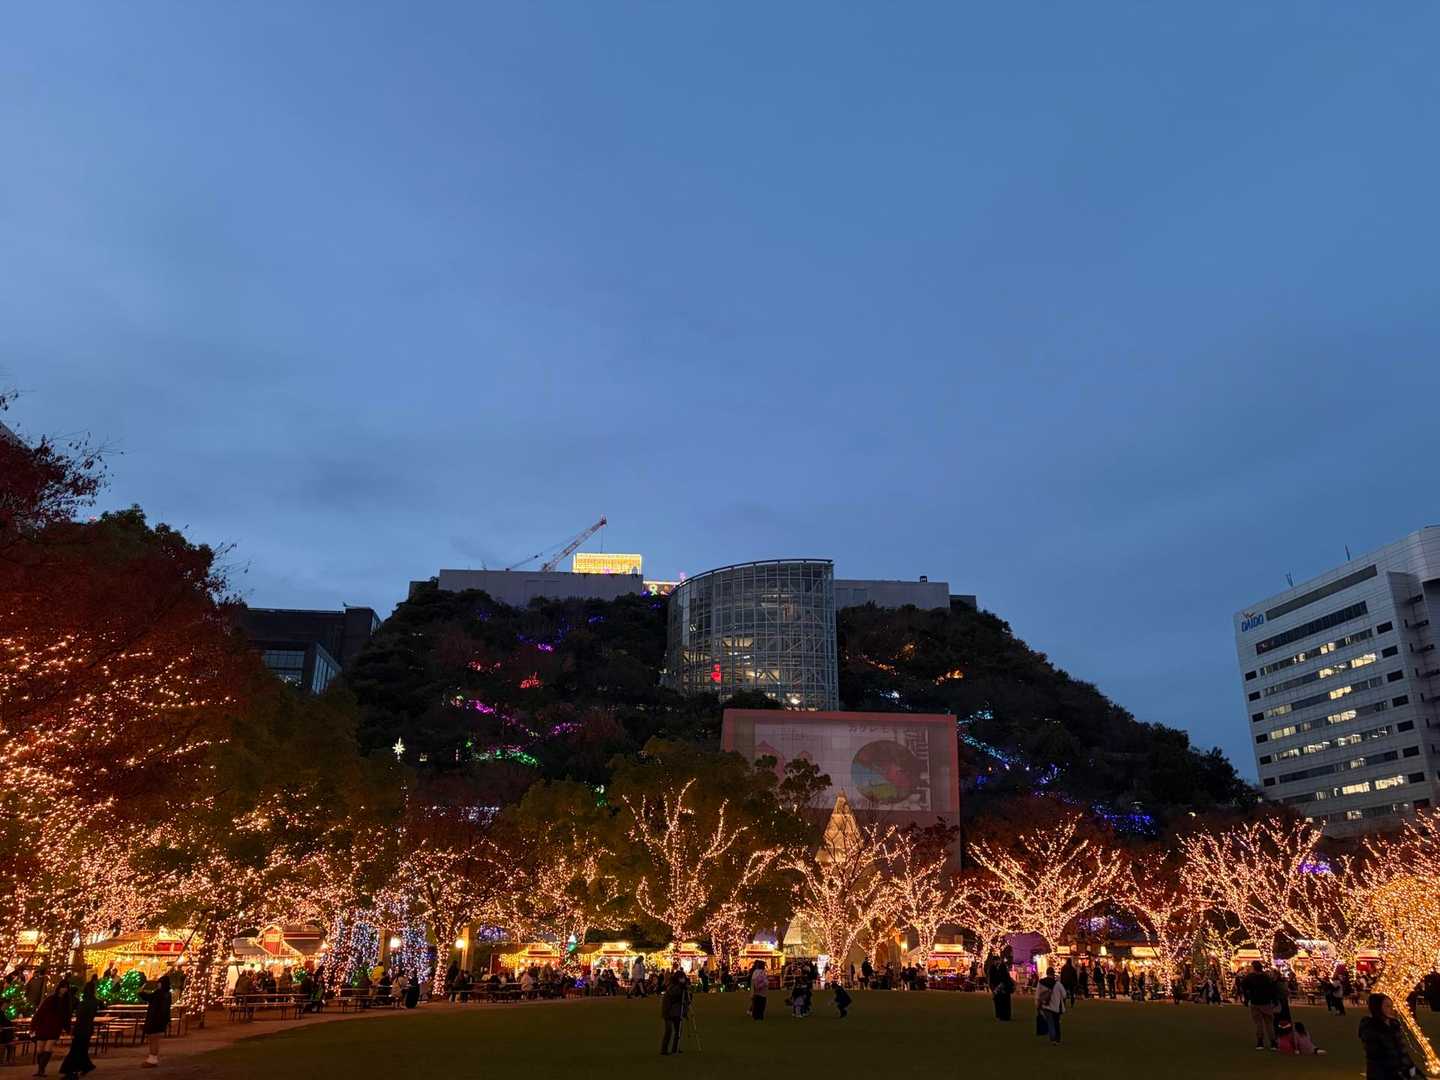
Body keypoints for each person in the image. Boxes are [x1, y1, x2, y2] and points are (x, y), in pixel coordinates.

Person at [1360, 993, 1418, 1080]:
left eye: (1392, 1006)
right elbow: (1376, 1055)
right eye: (1387, 1006)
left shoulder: (1394, 1024)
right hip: (1382, 1074)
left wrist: (1411, 1069)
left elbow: (1402, 1051)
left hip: (1400, 1071)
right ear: (1377, 1007)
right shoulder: (1369, 1027)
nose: (1391, 1009)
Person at [58, 977, 98, 1080]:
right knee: (82, 1050)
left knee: (76, 1050)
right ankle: (86, 1066)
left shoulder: (84, 1003)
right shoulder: (94, 1002)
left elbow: (80, 1017)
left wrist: (74, 1029)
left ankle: (72, 1072)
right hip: (87, 1029)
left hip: (81, 1030)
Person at [29, 983, 70, 1077]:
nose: (64, 990)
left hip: (55, 1028)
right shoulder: (50, 999)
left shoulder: (66, 1002)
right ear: (58, 988)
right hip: (43, 1026)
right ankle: (40, 1069)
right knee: (40, 1050)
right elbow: (40, 1012)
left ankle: (41, 1070)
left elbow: (66, 1016)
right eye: (63, 987)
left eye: (66, 988)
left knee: (48, 1048)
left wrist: (67, 1028)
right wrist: (33, 1026)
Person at [1240, 961, 1279, 1051]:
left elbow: (1244, 987)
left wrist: (1247, 999)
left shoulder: (1250, 977)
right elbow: (1273, 989)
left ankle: (1260, 1042)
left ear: (1254, 968)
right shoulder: (1266, 977)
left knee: (1259, 1023)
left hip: (1255, 1002)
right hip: (1266, 1002)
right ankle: (1273, 1042)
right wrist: (1274, 1000)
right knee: (1269, 1023)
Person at [139, 973, 172, 1069]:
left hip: (155, 1020)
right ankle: (153, 1058)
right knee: (155, 1040)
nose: (158, 984)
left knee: (152, 1039)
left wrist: (141, 991)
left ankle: (152, 1059)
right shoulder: (167, 994)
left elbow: (149, 997)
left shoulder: (159, 993)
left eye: (159, 983)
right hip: (161, 1021)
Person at [660, 971, 686, 1055]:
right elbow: (674, 993)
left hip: (676, 1010)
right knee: (669, 1030)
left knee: (678, 1030)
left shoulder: (679, 986)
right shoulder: (672, 986)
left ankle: (675, 1048)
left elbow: (685, 999)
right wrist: (681, 987)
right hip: (668, 1010)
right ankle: (664, 1049)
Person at [1036, 973, 1065, 1044]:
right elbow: (1064, 995)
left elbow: (1037, 994)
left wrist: (1037, 1005)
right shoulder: (1058, 984)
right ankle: (1057, 1039)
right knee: (1056, 1023)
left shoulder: (1041, 983)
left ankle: (1052, 1038)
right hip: (1056, 1007)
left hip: (1045, 1005)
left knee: (1050, 1022)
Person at [987, 954, 1015, 1021]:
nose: (996, 962)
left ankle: (1006, 1016)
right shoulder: (992, 968)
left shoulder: (1003, 966)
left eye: (997, 960)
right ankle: (999, 1016)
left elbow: (1006, 977)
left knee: (1005, 1002)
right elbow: (991, 979)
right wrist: (994, 989)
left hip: (1004, 986)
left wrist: (1001, 986)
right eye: (995, 961)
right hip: (996, 987)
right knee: (997, 1002)